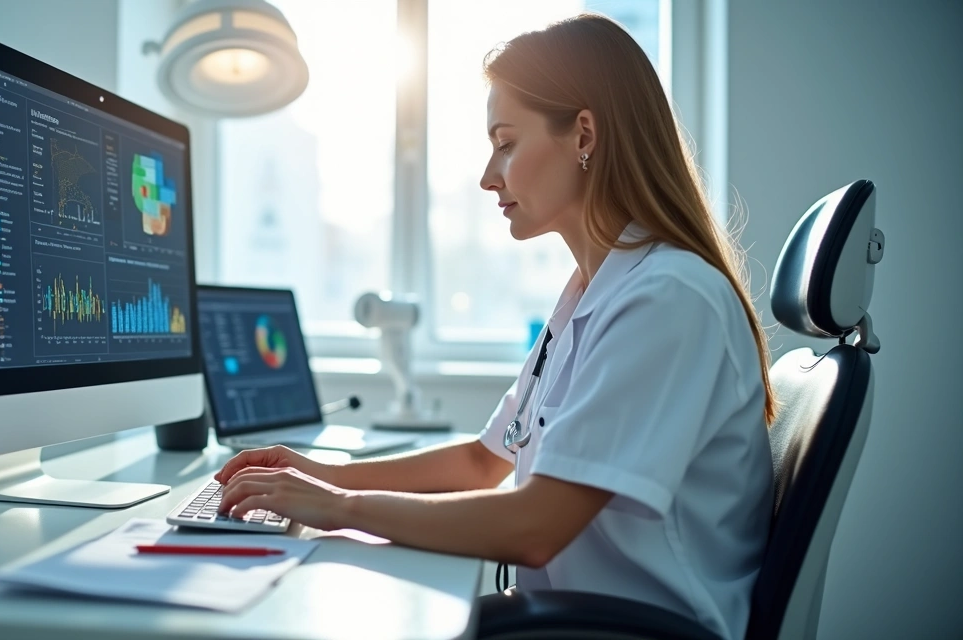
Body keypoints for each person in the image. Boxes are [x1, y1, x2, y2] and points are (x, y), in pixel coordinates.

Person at [215, 13, 773, 640]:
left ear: (584, 133)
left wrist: (339, 508)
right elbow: (484, 462)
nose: (488, 175)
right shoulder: (594, 292)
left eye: (506, 143)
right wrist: (324, 475)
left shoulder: (668, 300)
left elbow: (536, 526)